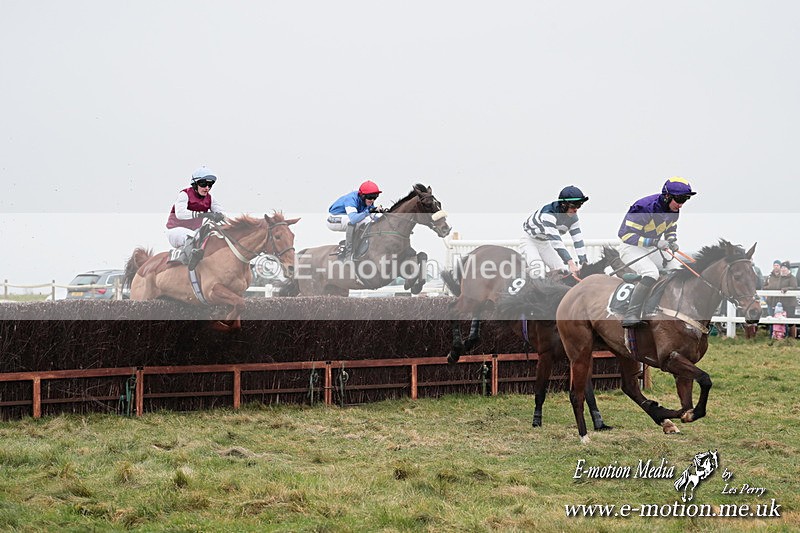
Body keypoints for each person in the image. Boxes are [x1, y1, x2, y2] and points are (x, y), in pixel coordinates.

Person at [618, 177, 696, 328]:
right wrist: (654, 242)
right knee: (651, 273)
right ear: (667, 196)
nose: (681, 204)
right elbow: (625, 235)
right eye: (679, 199)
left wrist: (671, 240)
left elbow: (671, 227)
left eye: (685, 199)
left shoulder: (674, 209)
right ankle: (631, 314)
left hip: (652, 248)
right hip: (631, 247)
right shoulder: (643, 207)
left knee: (677, 270)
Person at [521, 185, 589, 279]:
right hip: (530, 241)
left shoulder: (573, 218)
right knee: (538, 268)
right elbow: (556, 242)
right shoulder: (548, 214)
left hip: (545, 243)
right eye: (573, 206)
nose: (576, 210)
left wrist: (584, 263)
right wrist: (571, 263)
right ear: (563, 204)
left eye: (579, 206)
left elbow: (578, 241)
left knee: (562, 270)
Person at [165, 166, 226, 269]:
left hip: (194, 232)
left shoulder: (210, 198)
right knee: (193, 236)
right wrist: (203, 214)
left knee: (212, 235)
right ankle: (190, 261)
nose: (207, 188)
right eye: (203, 184)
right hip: (175, 231)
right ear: (195, 183)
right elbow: (180, 213)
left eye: (210, 184)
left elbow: (221, 212)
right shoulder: (184, 194)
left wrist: (219, 216)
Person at [327, 180, 384, 259]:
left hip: (346, 216)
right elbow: (353, 219)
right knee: (356, 221)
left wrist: (384, 215)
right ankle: (348, 253)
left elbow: (373, 216)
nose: (373, 200)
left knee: (368, 221)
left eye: (375, 197)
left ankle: (357, 245)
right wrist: (369, 211)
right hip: (333, 219)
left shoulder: (368, 201)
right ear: (362, 196)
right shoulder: (351, 199)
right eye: (370, 197)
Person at [765, 261, 798, 338]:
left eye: (785, 268)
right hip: (781, 304)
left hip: (789, 304)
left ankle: (792, 338)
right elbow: (776, 288)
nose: (783, 269)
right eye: (782, 268)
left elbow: (794, 287)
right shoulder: (780, 278)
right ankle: (780, 336)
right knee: (780, 320)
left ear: (788, 269)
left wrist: (787, 289)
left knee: (790, 321)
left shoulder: (792, 278)